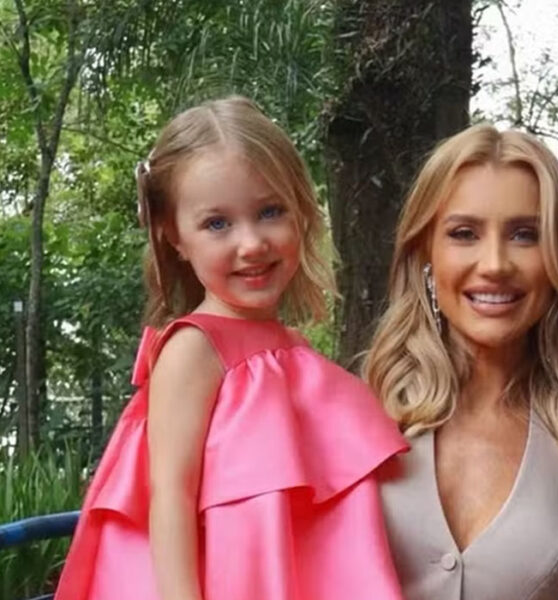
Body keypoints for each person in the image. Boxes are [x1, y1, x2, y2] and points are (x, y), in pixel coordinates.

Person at [55, 96, 408, 600]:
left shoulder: (290, 351)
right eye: (217, 223)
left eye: (270, 211)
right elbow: (170, 498)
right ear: (174, 236)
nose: (252, 243)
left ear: (301, 211)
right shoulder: (193, 349)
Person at [364, 124, 558, 600]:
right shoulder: (359, 417)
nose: (495, 263)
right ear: (426, 252)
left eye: (524, 235)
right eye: (464, 234)